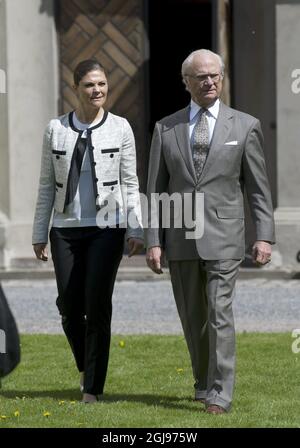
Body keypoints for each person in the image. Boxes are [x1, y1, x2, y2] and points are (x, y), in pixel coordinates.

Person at [145, 49, 275, 414]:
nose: (209, 82)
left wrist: (263, 235)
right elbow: (156, 190)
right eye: (201, 76)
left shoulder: (245, 126)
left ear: (222, 78)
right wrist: (153, 240)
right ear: (186, 81)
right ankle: (202, 384)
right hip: (181, 235)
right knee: (193, 318)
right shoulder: (166, 128)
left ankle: (220, 394)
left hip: (225, 236)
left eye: (215, 75)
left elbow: (258, 188)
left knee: (219, 313)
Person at [32, 59, 143, 403]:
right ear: (76, 88)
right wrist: (39, 232)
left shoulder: (121, 127)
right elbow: (47, 185)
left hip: (106, 229)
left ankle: (92, 388)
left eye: (102, 85)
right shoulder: (56, 129)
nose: (97, 91)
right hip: (64, 230)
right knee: (68, 306)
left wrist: (135, 228)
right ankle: (85, 365)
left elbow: (129, 181)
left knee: (97, 306)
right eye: (90, 85)